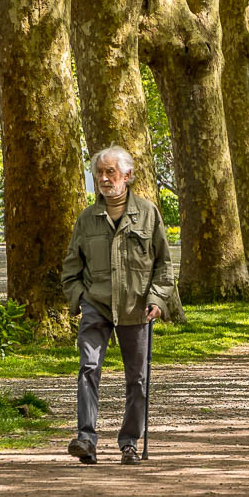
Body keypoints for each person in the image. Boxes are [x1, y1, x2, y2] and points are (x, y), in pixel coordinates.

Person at [60, 146, 175, 465]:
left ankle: (129, 443)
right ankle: (86, 439)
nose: (104, 178)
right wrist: (80, 298)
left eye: (110, 172)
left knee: (137, 379)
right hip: (96, 304)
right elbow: (71, 268)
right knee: (88, 368)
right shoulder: (87, 218)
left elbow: (163, 265)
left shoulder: (148, 213)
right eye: (100, 172)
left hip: (135, 307)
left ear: (127, 176)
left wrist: (157, 298)